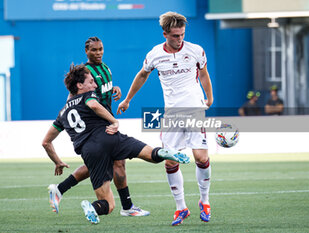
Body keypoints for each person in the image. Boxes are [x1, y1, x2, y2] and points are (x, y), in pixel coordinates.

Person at [42, 64, 190, 224]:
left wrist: (57, 161)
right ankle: (164, 152)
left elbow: (46, 142)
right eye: (91, 81)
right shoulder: (88, 96)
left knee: (108, 204)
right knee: (151, 155)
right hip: (108, 136)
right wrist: (114, 121)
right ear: (80, 85)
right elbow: (93, 104)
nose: (94, 85)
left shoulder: (62, 113)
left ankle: (93, 207)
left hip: (89, 150)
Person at [117, 12, 214, 225]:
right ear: (165, 34)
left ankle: (204, 201)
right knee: (170, 160)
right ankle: (181, 208)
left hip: (195, 111)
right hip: (171, 115)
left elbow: (204, 73)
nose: (179, 39)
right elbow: (142, 74)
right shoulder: (154, 54)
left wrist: (209, 96)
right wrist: (128, 99)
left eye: (182, 34)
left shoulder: (195, 50)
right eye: (175, 36)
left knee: (201, 158)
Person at [47, 37, 151, 217]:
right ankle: (127, 207)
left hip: (105, 120)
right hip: (95, 124)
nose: (98, 53)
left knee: (101, 163)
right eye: (94, 50)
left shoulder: (105, 68)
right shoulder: (85, 72)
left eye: (101, 49)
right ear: (86, 51)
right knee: (116, 161)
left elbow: (100, 90)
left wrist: (114, 89)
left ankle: (60, 189)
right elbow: (74, 97)